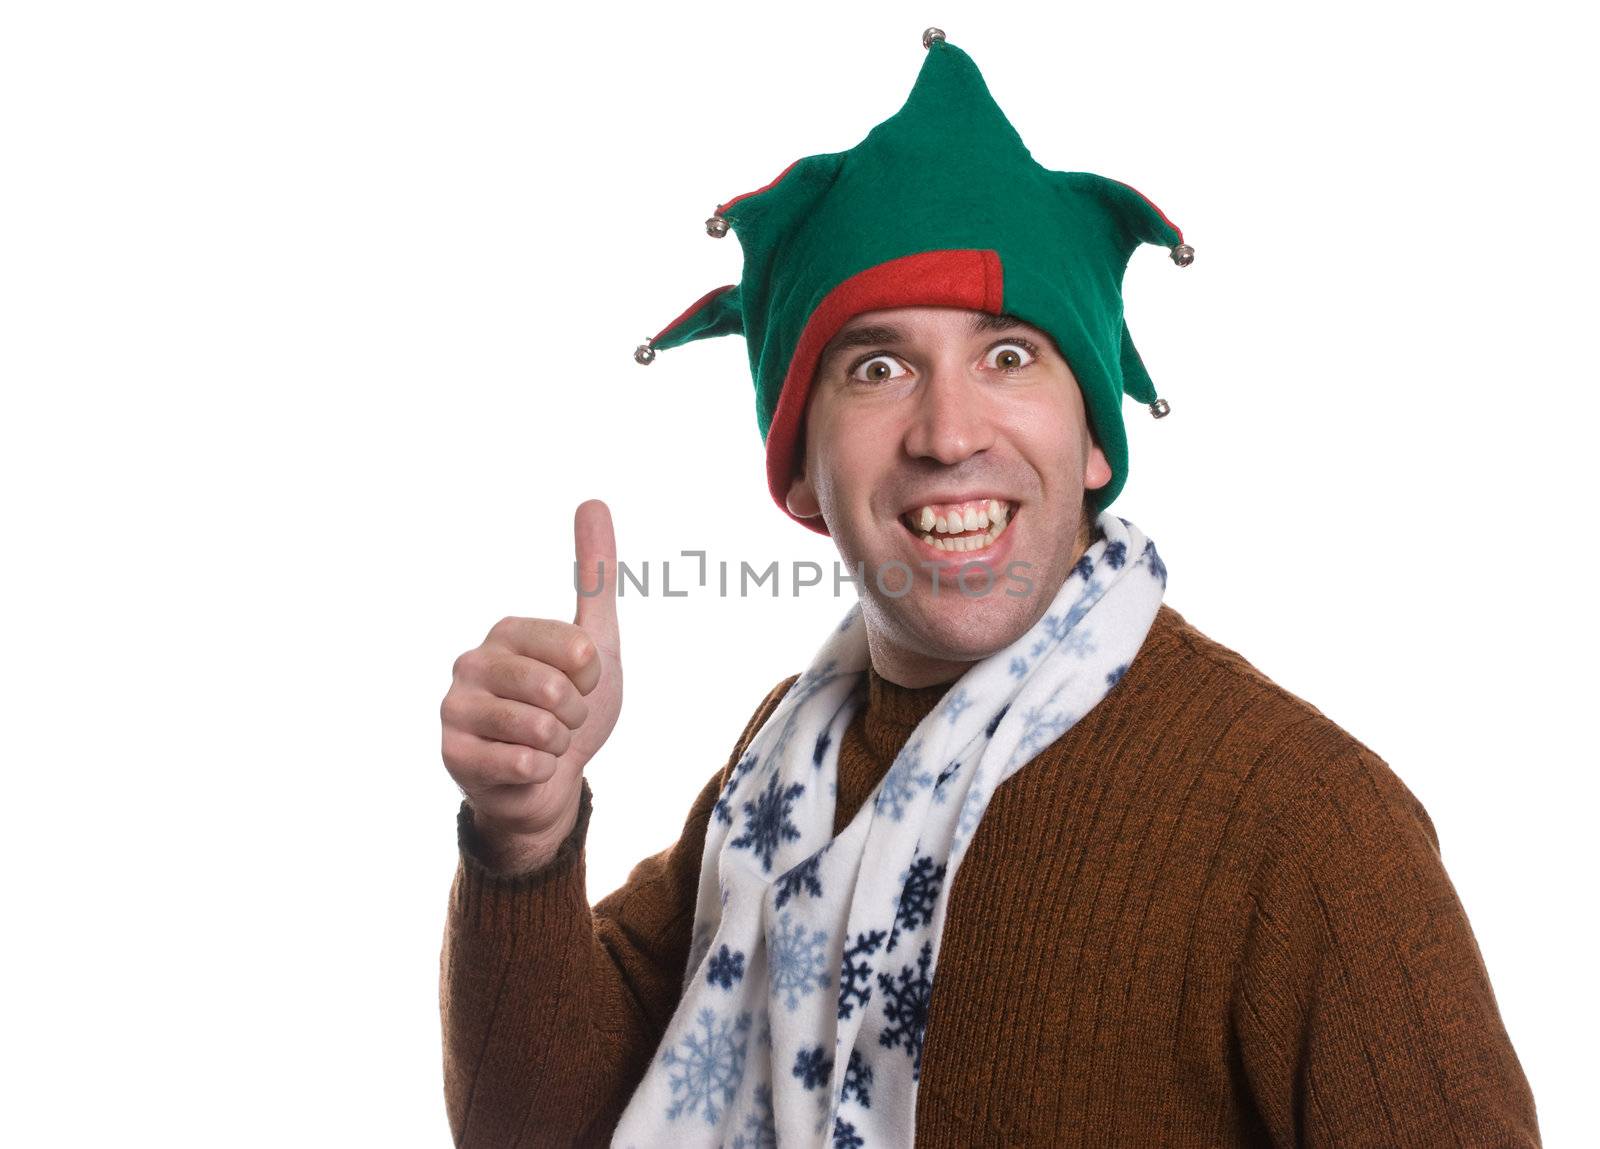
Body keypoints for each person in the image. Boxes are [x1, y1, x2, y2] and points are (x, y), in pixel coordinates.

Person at [438, 29, 1540, 1148]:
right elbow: (544, 1128)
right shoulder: (783, 777)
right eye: (879, 367)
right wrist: (524, 836)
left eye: (1009, 355)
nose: (949, 432)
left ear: (1095, 439)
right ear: (803, 478)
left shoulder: (1303, 823)